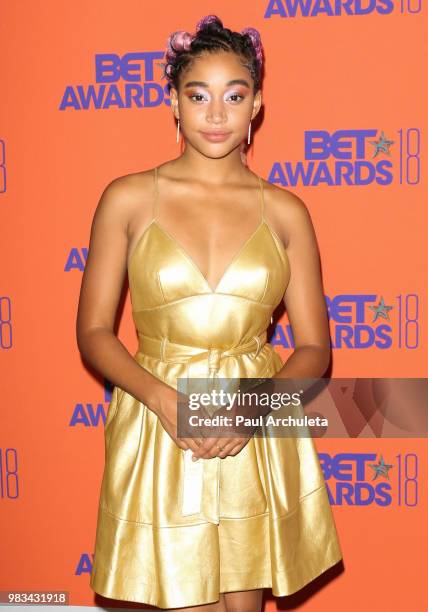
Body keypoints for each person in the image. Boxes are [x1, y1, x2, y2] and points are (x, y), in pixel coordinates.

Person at [76, 14, 343, 612]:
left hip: (250, 418)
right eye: (198, 95)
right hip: (157, 413)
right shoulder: (127, 198)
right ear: (173, 103)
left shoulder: (286, 212)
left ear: (257, 107)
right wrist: (167, 401)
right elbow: (93, 332)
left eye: (234, 95)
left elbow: (315, 349)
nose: (216, 114)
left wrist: (249, 408)